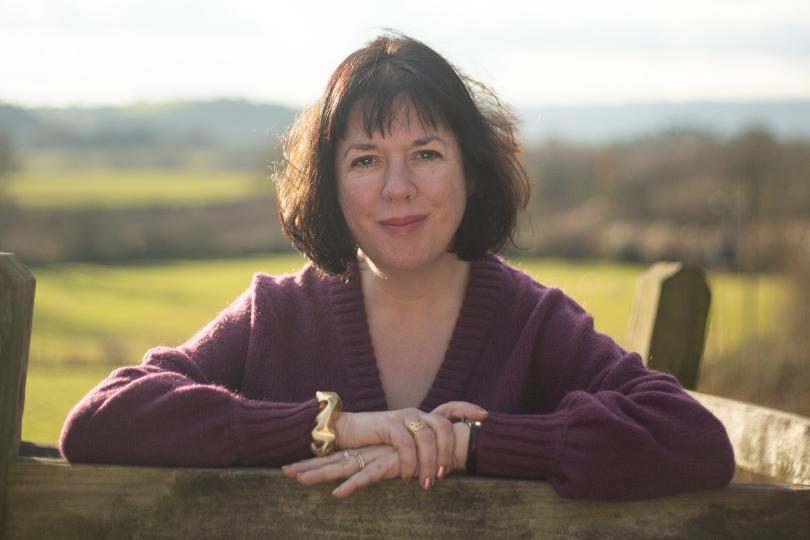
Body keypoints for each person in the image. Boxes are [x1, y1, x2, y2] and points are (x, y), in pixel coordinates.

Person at [59, 34, 735, 501]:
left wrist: (467, 445)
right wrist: (331, 427)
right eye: (365, 160)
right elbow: (100, 422)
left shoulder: (534, 322)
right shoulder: (275, 315)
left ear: (471, 170)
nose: (398, 188)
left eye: (427, 153)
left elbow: (692, 441)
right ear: (329, 184)